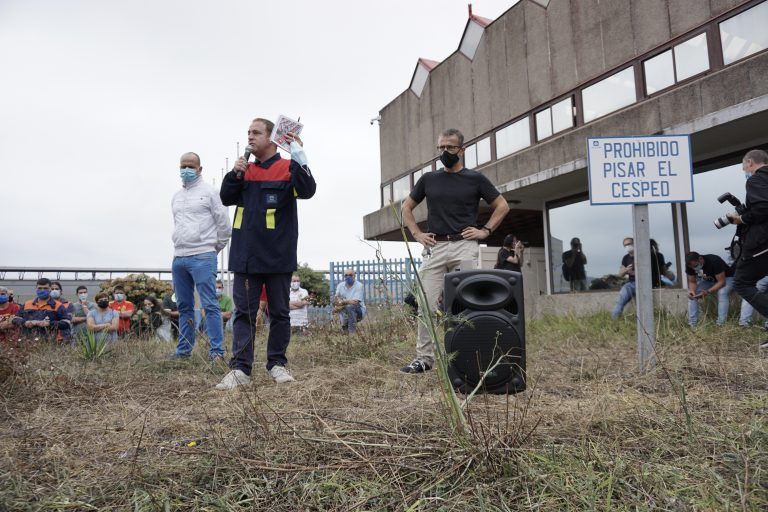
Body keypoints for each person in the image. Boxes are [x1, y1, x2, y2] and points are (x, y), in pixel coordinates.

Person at [216, 118, 316, 389]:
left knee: (280, 313)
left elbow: (308, 190)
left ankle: (277, 364)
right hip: (246, 256)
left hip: (278, 255)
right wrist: (234, 173)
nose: (250, 137)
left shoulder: (287, 168)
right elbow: (226, 197)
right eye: (248, 132)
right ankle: (240, 370)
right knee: (244, 314)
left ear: (273, 138)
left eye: (256, 133)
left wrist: (298, 155)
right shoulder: (244, 170)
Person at [400, 127, 510, 374]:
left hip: (464, 246)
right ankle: (424, 359)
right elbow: (406, 208)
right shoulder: (429, 179)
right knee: (425, 304)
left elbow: (502, 206)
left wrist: (486, 231)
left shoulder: (476, 179)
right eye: (441, 147)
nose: (444, 152)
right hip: (435, 247)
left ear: (462, 149)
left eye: (449, 147)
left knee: (465, 304)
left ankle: (467, 357)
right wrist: (417, 234)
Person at [170, 152, 232, 361]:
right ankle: (183, 350)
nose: (186, 170)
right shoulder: (176, 197)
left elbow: (224, 224)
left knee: (209, 304)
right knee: (184, 306)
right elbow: (178, 224)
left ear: (200, 169)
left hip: (203, 255)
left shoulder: (211, 192)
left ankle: (217, 352)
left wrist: (213, 248)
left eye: (191, 166)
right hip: (179, 256)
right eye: (183, 166)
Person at [730, 149, 768, 348]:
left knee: (742, 282)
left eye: (744, 166)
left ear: (751, 163)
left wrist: (742, 218)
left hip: (762, 242)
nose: (744, 170)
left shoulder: (755, 180)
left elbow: (763, 207)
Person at [685, 251, 734, 327]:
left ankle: (721, 324)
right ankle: (692, 325)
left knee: (722, 292)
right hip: (709, 280)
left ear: (700, 259)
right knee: (692, 296)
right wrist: (692, 291)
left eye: (696, 266)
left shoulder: (714, 260)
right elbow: (692, 282)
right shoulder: (690, 265)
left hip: (727, 278)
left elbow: (722, 282)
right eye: (692, 267)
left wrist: (708, 291)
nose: (694, 268)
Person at [334, 269, 366, 334]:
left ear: (354, 276)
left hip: (358, 311)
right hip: (344, 309)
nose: (348, 277)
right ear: (344, 276)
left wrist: (342, 301)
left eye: (350, 275)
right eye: (346, 275)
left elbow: (355, 302)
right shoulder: (340, 286)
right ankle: (345, 331)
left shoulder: (359, 286)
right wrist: (344, 301)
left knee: (350, 307)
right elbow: (336, 299)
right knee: (339, 308)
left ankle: (352, 333)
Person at [611, 237, 637, 319]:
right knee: (619, 302)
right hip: (631, 283)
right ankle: (614, 321)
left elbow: (646, 272)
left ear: (634, 243)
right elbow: (620, 274)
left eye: (629, 244)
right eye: (625, 245)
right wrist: (626, 270)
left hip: (642, 283)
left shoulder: (640, 255)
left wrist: (632, 272)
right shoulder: (626, 258)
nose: (628, 246)